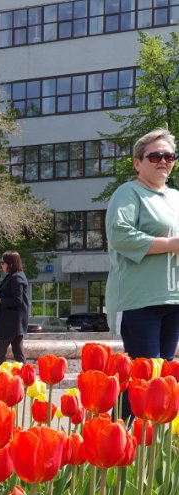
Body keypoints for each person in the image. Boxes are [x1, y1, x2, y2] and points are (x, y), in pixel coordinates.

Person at [106, 128, 179, 418]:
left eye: (169, 156)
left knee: (162, 381)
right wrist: (171, 244)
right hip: (139, 302)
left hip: (173, 301)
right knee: (141, 380)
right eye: (155, 156)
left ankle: (148, 443)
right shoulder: (129, 192)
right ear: (138, 163)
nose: (163, 161)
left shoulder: (175, 197)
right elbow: (120, 236)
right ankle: (120, 442)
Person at [0, 251, 29, 369]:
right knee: (18, 352)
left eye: (3, 262)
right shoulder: (13, 276)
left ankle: (0, 379)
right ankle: (26, 378)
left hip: (13, 322)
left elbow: (17, 300)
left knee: (0, 350)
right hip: (14, 322)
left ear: (10, 263)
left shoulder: (16, 277)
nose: (1, 265)